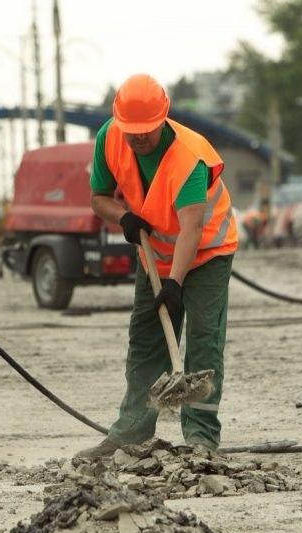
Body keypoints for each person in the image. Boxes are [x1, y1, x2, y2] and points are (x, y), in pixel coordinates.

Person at [75, 74, 239, 459]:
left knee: (203, 344)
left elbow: (193, 227)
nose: (138, 137)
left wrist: (175, 285)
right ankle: (130, 433)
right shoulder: (109, 138)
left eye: (146, 130)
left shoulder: (189, 156)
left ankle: (201, 439)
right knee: (145, 342)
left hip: (207, 252)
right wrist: (124, 218)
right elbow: (99, 199)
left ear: (162, 119)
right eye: (131, 130)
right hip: (154, 253)